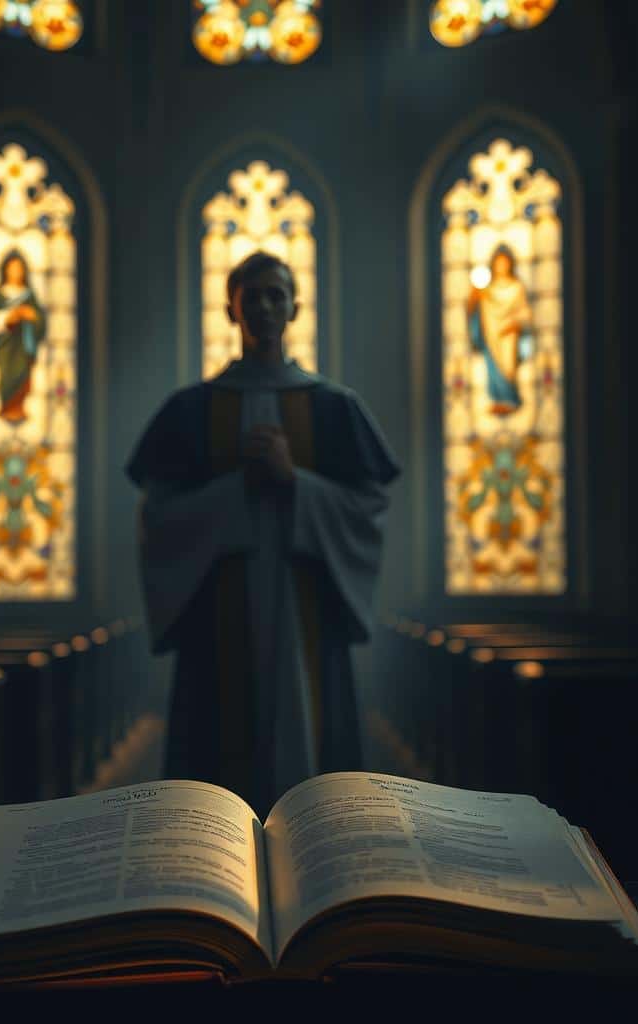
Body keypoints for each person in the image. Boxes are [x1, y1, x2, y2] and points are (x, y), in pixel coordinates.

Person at [126, 251, 400, 816]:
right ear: (231, 309)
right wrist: (235, 492)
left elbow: (368, 506)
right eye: (252, 296)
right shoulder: (192, 410)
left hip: (309, 612)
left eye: (277, 295)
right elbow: (158, 517)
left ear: (296, 306)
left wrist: (293, 482)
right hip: (218, 617)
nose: (265, 307)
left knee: (314, 750)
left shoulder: (332, 407)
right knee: (216, 780)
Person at [466, 244, 533, 416]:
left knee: (508, 369)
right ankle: (497, 399)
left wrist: (513, 322)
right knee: (493, 369)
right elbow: (477, 312)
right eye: (498, 264)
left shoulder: (517, 287)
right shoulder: (487, 290)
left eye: (504, 263)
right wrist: (474, 301)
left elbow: (525, 312)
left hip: (509, 336)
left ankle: (510, 399)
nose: (501, 267)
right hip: (491, 335)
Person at [0, 249, 47, 424]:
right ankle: (7, 407)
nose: (16, 272)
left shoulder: (28, 295)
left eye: (19, 269)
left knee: (23, 377)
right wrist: (8, 318)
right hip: (6, 346)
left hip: (24, 347)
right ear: (6, 271)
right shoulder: (0, 294)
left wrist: (31, 315)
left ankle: (18, 408)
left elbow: (41, 320)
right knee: (7, 377)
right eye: (12, 269)